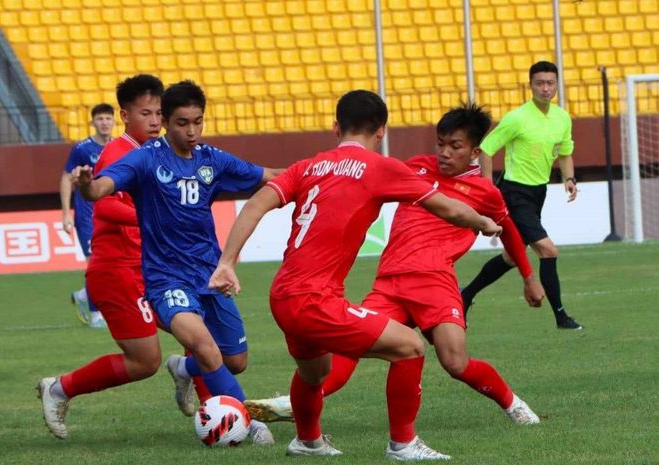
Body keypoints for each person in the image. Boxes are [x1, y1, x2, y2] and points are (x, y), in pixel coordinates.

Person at [209, 90, 502, 460]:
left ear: (336, 127)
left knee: (315, 373)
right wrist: (484, 222)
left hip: (282, 294)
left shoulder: (308, 166)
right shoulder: (382, 168)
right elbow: (451, 210)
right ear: (381, 131)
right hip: (315, 299)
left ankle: (308, 441)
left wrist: (227, 262)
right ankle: (403, 444)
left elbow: (255, 204)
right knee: (410, 349)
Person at [247, 103, 546, 429]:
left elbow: (510, 233)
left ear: (474, 152)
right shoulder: (414, 167)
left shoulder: (485, 192)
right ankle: (293, 404)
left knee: (455, 362)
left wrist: (529, 277)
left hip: (435, 281)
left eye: (455, 146)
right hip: (390, 281)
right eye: (440, 143)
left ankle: (512, 403)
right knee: (347, 348)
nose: (445, 152)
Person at [69, 80, 280, 444]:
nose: (192, 131)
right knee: (205, 345)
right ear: (166, 121)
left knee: (236, 359)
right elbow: (102, 189)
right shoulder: (145, 158)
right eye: (183, 123)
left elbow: (267, 176)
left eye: (198, 121)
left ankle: (182, 368)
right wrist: (87, 185)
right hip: (166, 279)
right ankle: (248, 418)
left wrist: (317, 175)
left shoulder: (211, 159)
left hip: (210, 275)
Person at [38, 74, 164, 440]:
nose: (155, 120)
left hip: (148, 266)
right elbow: (105, 206)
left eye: (159, 112)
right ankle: (59, 388)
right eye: (147, 113)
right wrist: (154, 217)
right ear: (125, 115)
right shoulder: (114, 153)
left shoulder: (156, 151)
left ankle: (228, 413)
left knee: (198, 331)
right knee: (146, 361)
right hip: (118, 268)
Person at [460, 61, 582, 330]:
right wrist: (487, 187)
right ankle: (561, 317)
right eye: (540, 83)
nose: (545, 88)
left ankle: (465, 294)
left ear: (557, 85)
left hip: (538, 193)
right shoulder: (517, 118)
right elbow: (487, 149)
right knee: (548, 250)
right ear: (531, 85)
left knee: (512, 257)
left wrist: (569, 179)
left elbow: (565, 152)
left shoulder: (562, 118)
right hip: (514, 193)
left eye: (550, 83)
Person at [60, 103, 114, 328]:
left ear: (114, 121)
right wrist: (65, 214)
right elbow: (66, 178)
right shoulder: (82, 149)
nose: (104, 122)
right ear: (93, 123)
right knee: (95, 265)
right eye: (99, 119)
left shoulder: (119, 148)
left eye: (107, 118)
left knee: (113, 265)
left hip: (112, 214)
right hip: (87, 216)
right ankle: (95, 314)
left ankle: (84, 294)